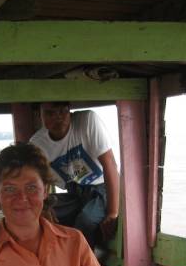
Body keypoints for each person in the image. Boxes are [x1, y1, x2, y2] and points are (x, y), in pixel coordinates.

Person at [29, 102, 120, 246]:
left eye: (62, 111)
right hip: (75, 191)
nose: (58, 118)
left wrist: (112, 213)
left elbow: (110, 165)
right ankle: (52, 258)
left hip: (102, 189)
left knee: (86, 220)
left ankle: (85, 263)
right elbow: (41, 180)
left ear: (70, 111)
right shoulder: (37, 144)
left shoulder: (87, 121)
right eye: (50, 113)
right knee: (38, 214)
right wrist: (44, 208)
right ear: (39, 115)